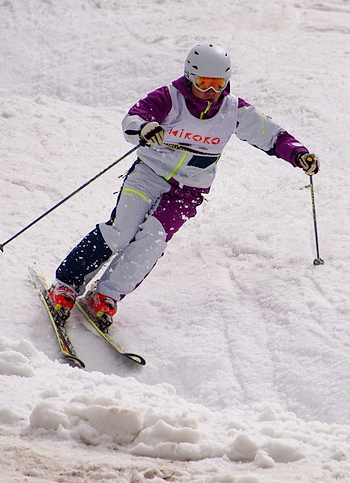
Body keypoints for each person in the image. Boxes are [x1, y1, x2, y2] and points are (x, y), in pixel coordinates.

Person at [48, 43, 320, 329]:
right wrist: (144, 128)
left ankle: (105, 296)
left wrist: (299, 154)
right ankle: (66, 284)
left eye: (219, 85)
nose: (212, 92)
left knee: (152, 240)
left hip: (189, 190)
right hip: (149, 174)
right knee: (121, 230)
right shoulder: (170, 97)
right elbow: (134, 118)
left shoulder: (233, 109)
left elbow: (273, 136)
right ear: (190, 77)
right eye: (204, 83)